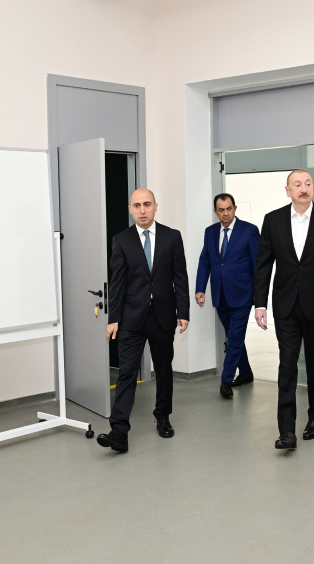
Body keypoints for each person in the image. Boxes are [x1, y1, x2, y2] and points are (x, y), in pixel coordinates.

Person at [254, 170, 314, 450]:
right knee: (287, 365)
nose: (303, 188)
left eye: (308, 184)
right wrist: (260, 303)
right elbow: (263, 265)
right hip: (286, 305)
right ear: (288, 191)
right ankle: (286, 431)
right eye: (297, 184)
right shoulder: (273, 220)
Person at [97, 189, 190, 453]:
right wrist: (113, 319)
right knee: (127, 371)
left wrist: (183, 311)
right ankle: (119, 430)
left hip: (163, 316)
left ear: (155, 206)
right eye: (137, 205)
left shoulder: (172, 237)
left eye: (147, 204)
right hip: (130, 318)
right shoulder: (121, 240)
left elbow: (180, 277)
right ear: (130, 209)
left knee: (163, 369)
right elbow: (117, 283)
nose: (142, 210)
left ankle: (163, 416)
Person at [195, 193, 260, 399]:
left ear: (235, 208)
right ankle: (246, 372)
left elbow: (258, 265)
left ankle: (226, 381)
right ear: (215, 211)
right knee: (234, 336)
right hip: (220, 294)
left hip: (243, 295)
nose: (226, 213)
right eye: (221, 210)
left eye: (229, 209)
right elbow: (205, 260)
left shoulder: (249, 230)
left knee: (234, 338)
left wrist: (259, 295)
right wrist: (200, 288)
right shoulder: (210, 232)